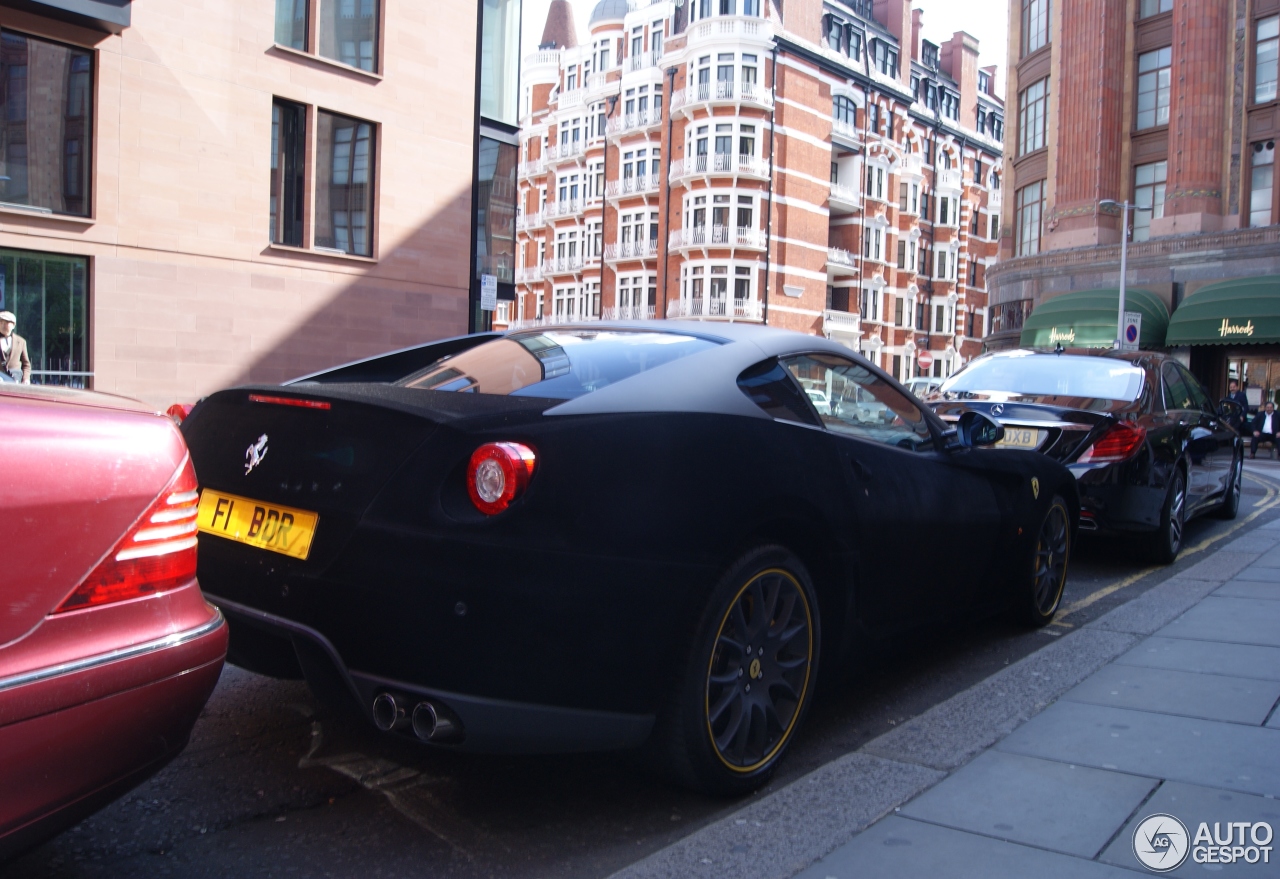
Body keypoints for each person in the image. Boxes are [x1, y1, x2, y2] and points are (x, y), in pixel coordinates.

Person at [0, 310, 30, 384]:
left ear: (13, 325)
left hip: (15, 380)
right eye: (1, 322)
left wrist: (26, 379)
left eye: (6, 323)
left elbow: (26, 364)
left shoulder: (21, 341)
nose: (2, 325)